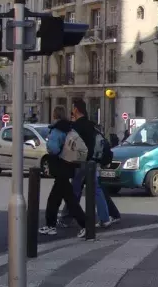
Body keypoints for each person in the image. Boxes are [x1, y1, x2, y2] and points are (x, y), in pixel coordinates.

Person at [65, 99, 114, 227]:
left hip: (81, 162)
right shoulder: (91, 125)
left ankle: (68, 217)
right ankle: (104, 218)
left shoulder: (76, 127)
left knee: (74, 190)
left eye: (73, 109)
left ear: (76, 109)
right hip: (93, 162)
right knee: (96, 190)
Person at [39, 106, 87, 237]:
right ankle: (51, 225)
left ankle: (84, 224)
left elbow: (53, 149)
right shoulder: (69, 128)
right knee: (57, 199)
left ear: (55, 115)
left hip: (60, 167)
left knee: (67, 200)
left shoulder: (57, 130)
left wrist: (48, 145)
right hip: (68, 165)